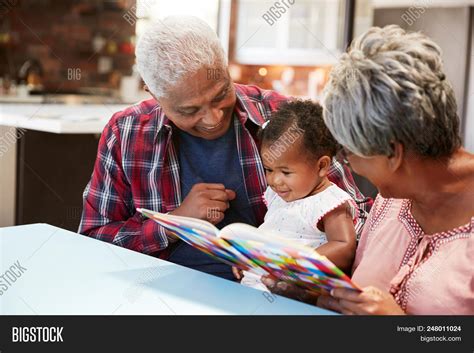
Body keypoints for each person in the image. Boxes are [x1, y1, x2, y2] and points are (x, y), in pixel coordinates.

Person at [78, 16, 371, 281]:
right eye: (190, 110)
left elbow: (362, 223)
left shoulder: (286, 120)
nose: (213, 118)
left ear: (226, 68)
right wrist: (173, 223)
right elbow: (93, 239)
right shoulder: (126, 133)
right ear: (155, 95)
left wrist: (294, 265)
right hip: (161, 291)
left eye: (221, 95)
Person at [262, 25, 474, 314]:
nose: (346, 164)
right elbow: (359, 297)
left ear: (393, 153)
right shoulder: (389, 201)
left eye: (348, 154)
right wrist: (311, 293)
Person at [237, 100, 357, 290]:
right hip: (255, 285)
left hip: (293, 292)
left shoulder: (329, 203)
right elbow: (274, 230)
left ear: (321, 166)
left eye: (286, 172)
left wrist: (295, 264)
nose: (275, 181)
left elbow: (344, 246)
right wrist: (250, 257)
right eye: (268, 169)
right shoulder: (280, 195)